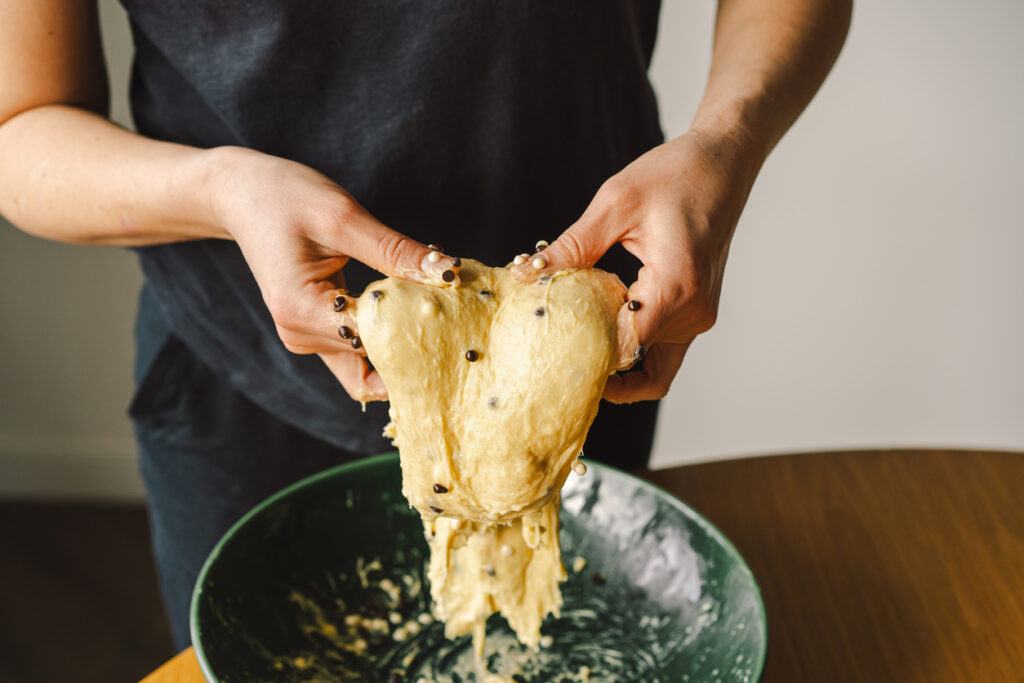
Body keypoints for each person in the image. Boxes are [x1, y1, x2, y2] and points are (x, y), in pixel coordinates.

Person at [0, 1, 851, 650]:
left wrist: (725, 140)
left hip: (582, 366)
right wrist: (223, 190)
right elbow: (19, 128)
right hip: (243, 377)